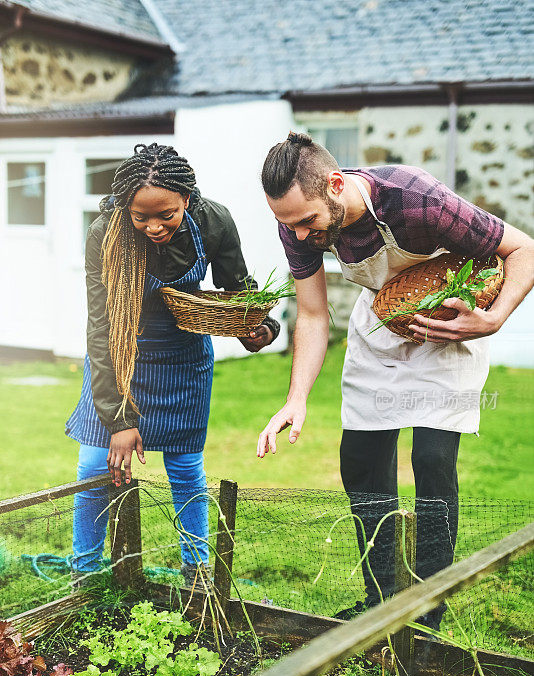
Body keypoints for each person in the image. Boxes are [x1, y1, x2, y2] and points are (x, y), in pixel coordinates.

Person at [257, 132, 534, 627]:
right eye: (287, 225)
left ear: (336, 185)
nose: (298, 235)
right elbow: (315, 315)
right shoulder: (295, 222)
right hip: (380, 328)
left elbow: (524, 250)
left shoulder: (416, 200)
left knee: (431, 460)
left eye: (306, 222)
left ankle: (428, 609)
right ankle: (381, 603)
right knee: (360, 463)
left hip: (447, 330)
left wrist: (494, 319)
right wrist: (295, 398)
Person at [66, 142, 279, 587]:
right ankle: (85, 575)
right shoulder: (105, 234)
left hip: (183, 359)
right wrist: (119, 417)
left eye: (166, 214)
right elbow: (101, 328)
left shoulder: (212, 220)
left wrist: (259, 329)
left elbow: (238, 290)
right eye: (140, 217)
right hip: (119, 356)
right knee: (93, 469)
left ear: (187, 198)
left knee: (184, 470)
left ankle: (197, 571)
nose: (154, 226)